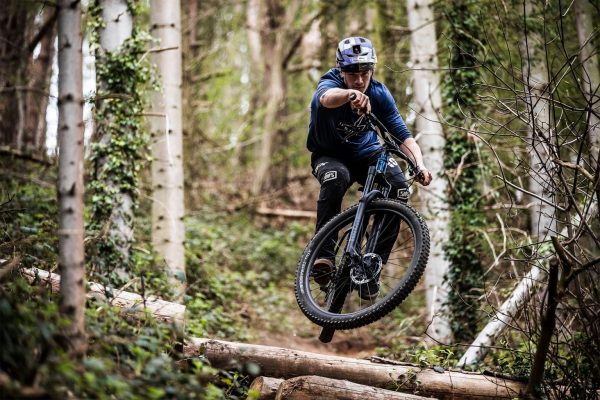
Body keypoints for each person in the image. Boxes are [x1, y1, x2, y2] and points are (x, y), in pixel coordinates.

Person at [307, 36, 432, 300]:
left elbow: (403, 136)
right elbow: (327, 99)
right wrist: (350, 94)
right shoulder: (330, 83)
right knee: (335, 179)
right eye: (352, 73)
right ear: (341, 71)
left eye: (365, 72)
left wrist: (418, 164)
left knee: (398, 189)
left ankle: (370, 265)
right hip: (329, 155)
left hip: (368, 155)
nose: (360, 79)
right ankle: (324, 257)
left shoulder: (379, 93)